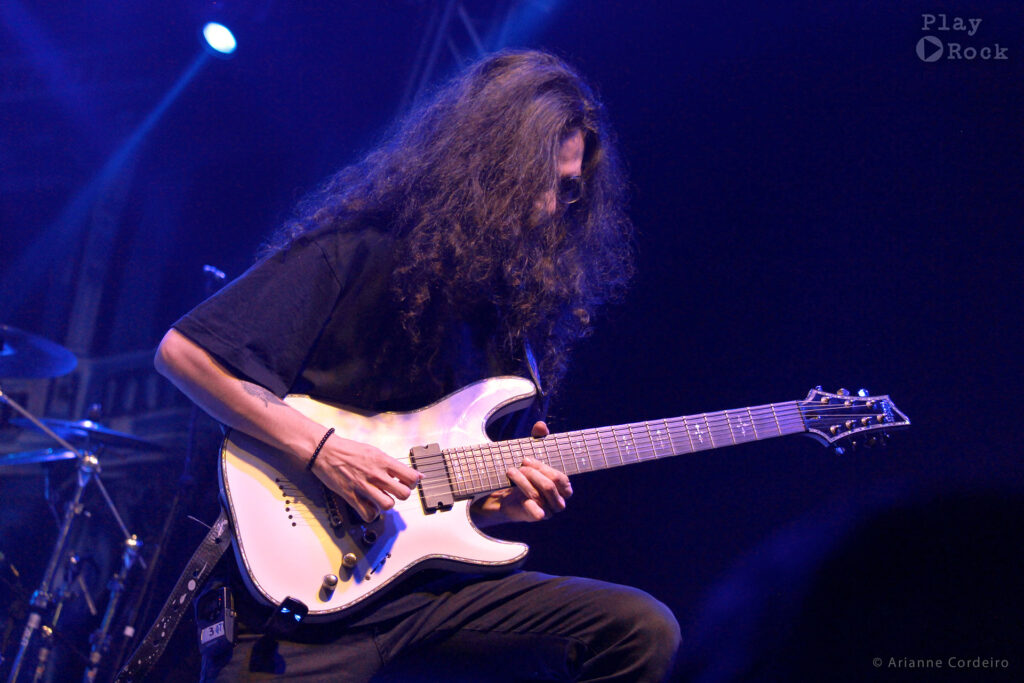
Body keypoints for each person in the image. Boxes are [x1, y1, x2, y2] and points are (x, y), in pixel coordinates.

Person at [155, 50, 680, 682]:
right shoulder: (359, 247)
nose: (552, 206)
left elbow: (435, 503)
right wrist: (322, 450)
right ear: (492, 161)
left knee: (640, 628)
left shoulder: (515, 323)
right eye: (543, 178)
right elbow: (184, 353)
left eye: (569, 190)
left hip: (430, 602)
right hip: (295, 615)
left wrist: (498, 505)